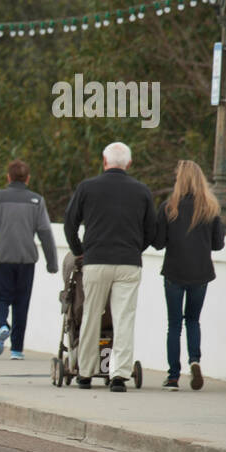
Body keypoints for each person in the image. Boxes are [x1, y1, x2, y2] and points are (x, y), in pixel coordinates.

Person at [63, 141, 155, 391]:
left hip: (96, 261)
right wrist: (136, 248)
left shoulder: (87, 187)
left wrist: (80, 251)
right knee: (124, 318)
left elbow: (69, 224)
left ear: (104, 162)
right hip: (129, 263)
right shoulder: (142, 191)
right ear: (129, 164)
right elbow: (151, 231)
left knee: (92, 314)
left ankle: (85, 372)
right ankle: (119, 376)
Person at [0, 159, 59, 359]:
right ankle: (17, 350)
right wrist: (51, 263)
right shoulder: (37, 201)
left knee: (0, 298)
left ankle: (1, 326)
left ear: (8, 177)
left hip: (2, 259)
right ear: (28, 179)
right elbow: (45, 233)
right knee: (21, 303)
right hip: (26, 261)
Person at [151, 159, 225, 390]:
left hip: (174, 273)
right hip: (200, 274)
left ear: (179, 180)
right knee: (193, 320)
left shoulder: (168, 207)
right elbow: (218, 244)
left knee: (174, 324)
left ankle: (173, 376)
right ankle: (195, 360)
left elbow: (158, 243)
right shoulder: (210, 208)